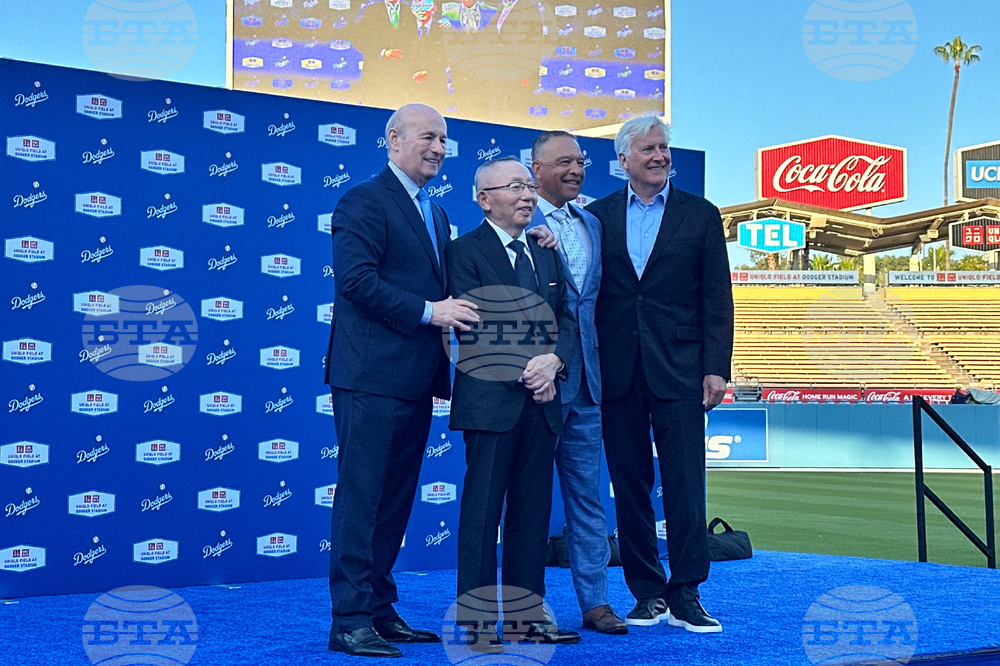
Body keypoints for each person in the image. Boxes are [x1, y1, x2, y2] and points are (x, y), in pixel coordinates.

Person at [324, 103, 481, 658]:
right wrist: (429, 312)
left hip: (414, 380)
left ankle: (378, 608)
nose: (439, 148)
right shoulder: (364, 199)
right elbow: (356, 282)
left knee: (393, 502)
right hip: (368, 377)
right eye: (428, 137)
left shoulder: (435, 214)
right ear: (393, 139)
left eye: (444, 140)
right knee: (363, 498)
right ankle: (348, 619)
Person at [585, 116, 734, 633]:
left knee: (686, 485)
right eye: (647, 148)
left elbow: (717, 297)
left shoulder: (702, 214)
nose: (659, 156)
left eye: (663, 147)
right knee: (629, 485)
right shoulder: (597, 216)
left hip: (683, 370)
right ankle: (646, 591)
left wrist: (717, 368)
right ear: (623, 159)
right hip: (618, 370)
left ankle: (687, 590)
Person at [446, 157, 581, 653]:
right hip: (490, 401)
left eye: (530, 186)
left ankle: (527, 620)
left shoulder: (545, 252)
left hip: (542, 402)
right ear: (485, 199)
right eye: (515, 187)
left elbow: (566, 318)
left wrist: (554, 364)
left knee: (530, 515)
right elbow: (481, 322)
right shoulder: (463, 251)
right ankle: (478, 625)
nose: (528, 195)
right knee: (482, 517)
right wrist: (534, 368)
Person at [527, 132, 627, 635]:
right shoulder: (517, 220)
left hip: (589, 381)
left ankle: (596, 602)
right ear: (536, 168)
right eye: (564, 161)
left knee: (587, 497)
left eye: (581, 161)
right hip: (537, 384)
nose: (576, 170)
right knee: (527, 497)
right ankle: (533, 605)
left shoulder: (592, 222)